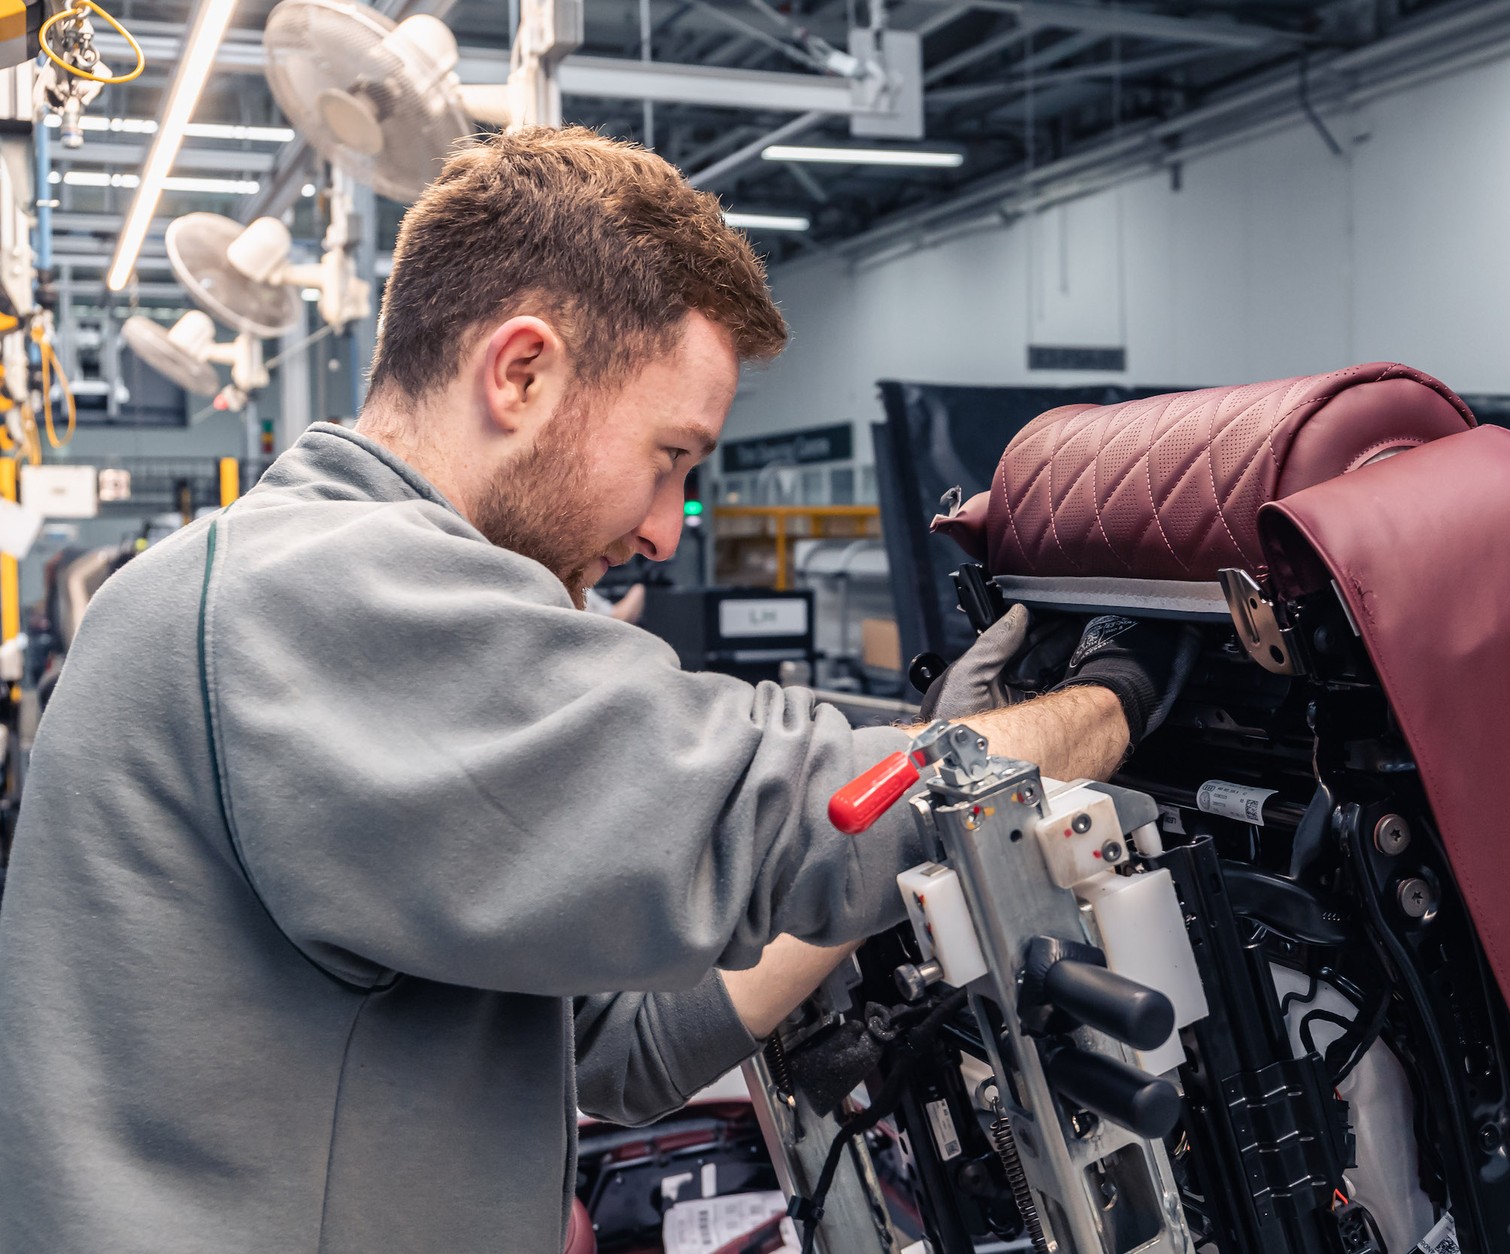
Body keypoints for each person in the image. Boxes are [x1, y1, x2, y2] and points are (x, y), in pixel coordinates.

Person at [0, 128, 1193, 1252]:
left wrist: (941, 755)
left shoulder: (259, 588)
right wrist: (1111, 708)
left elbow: (616, 1045)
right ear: (520, 373)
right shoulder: (308, 591)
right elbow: (765, 822)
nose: (665, 533)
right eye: (668, 458)